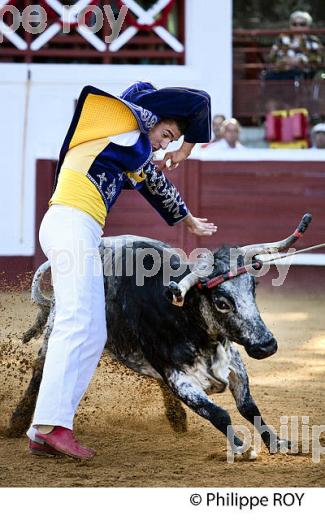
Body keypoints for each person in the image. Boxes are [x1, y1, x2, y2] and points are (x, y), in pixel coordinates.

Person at [26, 81, 217, 460]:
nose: (165, 144)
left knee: (93, 330)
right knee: (77, 321)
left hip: (79, 228)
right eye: (166, 134)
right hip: (70, 222)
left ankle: (44, 427)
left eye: (170, 139)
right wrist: (189, 145)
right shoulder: (120, 123)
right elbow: (199, 101)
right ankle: (51, 426)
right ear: (151, 115)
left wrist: (186, 216)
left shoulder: (128, 146)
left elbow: (154, 183)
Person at [265, 11, 323, 80]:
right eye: (294, 24)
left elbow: (318, 59)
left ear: (308, 26)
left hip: (302, 72)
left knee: (293, 76)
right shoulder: (282, 38)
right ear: (290, 26)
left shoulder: (313, 40)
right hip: (281, 70)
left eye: (302, 24)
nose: (298, 27)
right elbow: (271, 57)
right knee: (269, 77)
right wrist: (284, 61)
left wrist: (300, 60)